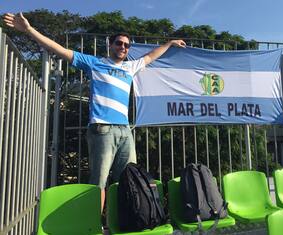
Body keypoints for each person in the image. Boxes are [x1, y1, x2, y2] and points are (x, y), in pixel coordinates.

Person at [3, 12, 186, 211]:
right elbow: (60, 50)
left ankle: (125, 221)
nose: (123, 47)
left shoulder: (130, 67)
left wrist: (169, 44)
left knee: (129, 179)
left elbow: (150, 56)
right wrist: (29, 30)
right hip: (102, 130)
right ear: (110, 44)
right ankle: (94, 226)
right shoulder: (95, 63)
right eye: (119, 43)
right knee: (98, 182)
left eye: (126, 45)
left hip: (125, 131)